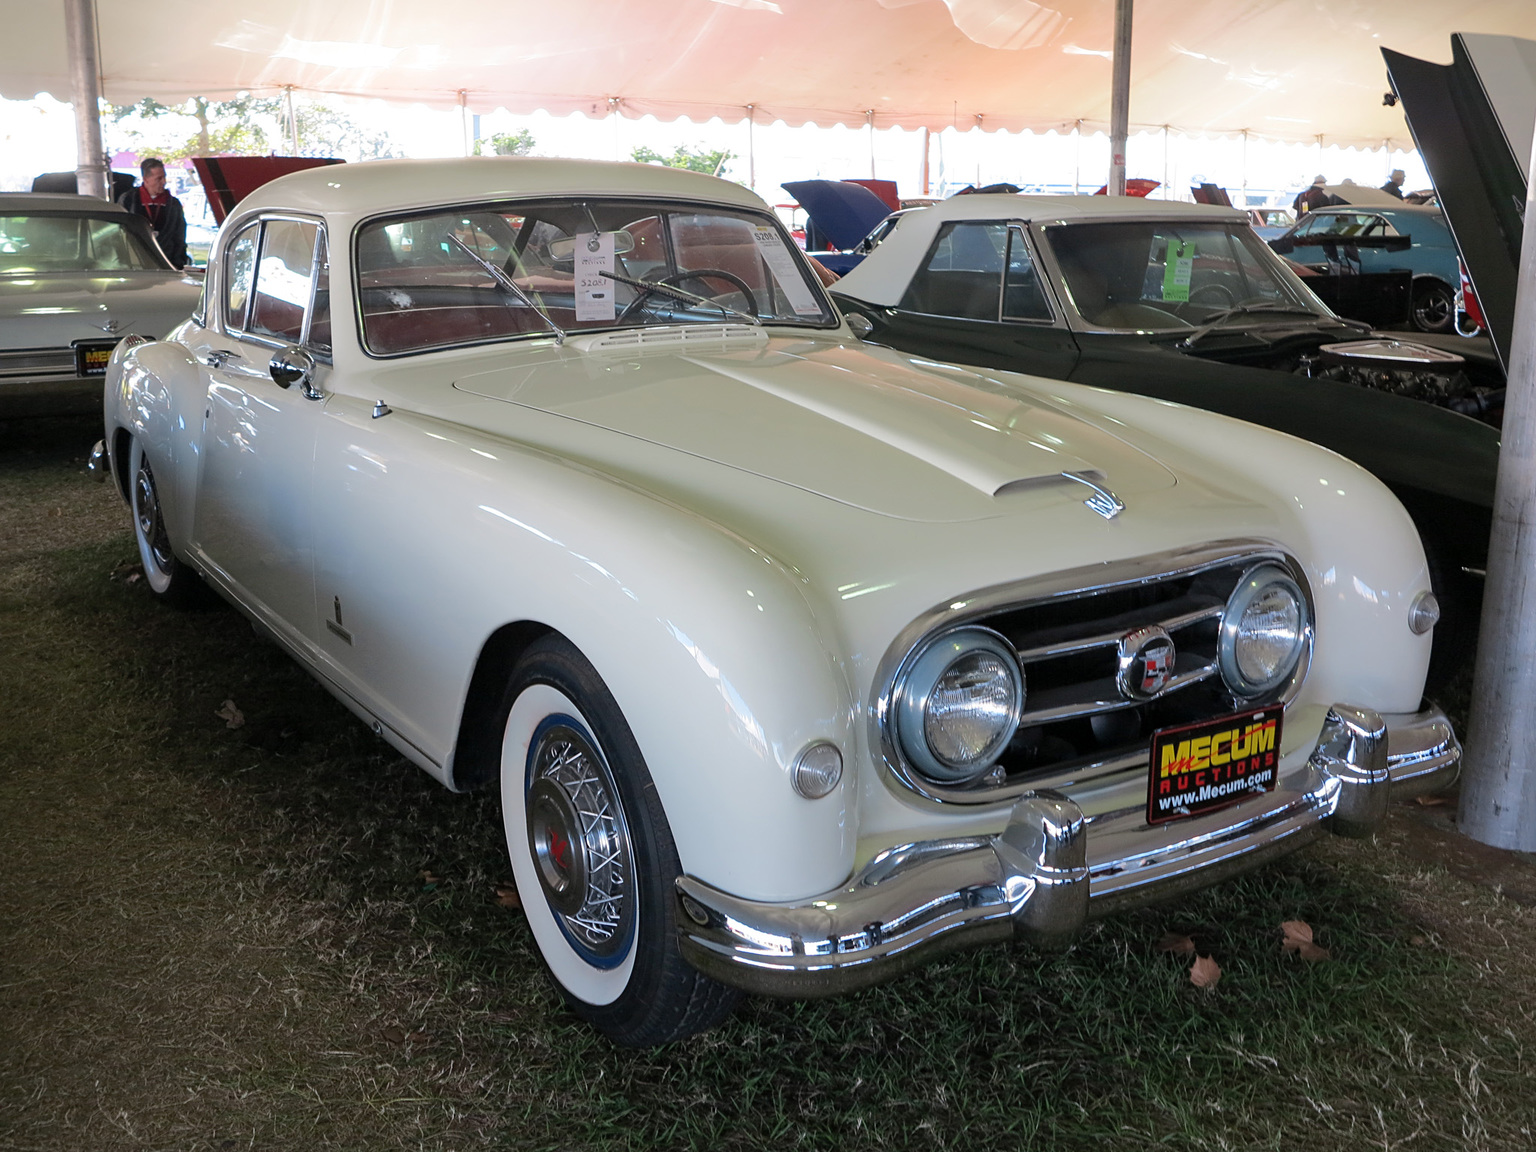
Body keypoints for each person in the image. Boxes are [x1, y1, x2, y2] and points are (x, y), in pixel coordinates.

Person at [118, 157, 188, 268]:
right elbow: (120, 232)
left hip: (166, 261)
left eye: (164, 177)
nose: (164, 182)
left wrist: (178, 260)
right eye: (159, 178)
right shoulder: (128, 200)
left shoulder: (173, 204)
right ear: (146, 179)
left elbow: (179, 234)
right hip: (136, 262)